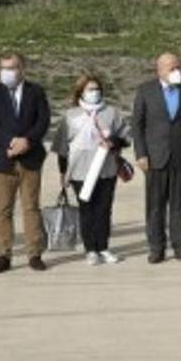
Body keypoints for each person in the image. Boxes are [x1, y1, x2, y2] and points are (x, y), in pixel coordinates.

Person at [132, 52, 181, 263]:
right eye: (171, 68)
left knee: (180, 204)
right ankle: (156, 248)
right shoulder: (145, 91)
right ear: (160, 70)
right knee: (155, 205)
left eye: (178, 67)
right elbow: (137, 124)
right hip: (155, 157)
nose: (176, 71)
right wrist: (141, 153)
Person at [0, 53, 51, 273]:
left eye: (11, 67)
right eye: (3, 68)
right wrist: (11, 141)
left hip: (30, 157)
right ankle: (4, 254)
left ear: (22, 68)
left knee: (31, 207)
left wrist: (27, 141)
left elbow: (43, 121)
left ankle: (34, 253)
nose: (7, 72)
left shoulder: (36, 92)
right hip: (3, 158)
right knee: (3, 209)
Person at [53, 72, 130, 265]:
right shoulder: (71, 115)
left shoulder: (111, 112)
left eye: (97, 89)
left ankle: (103, 246)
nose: (94, 92)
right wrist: (63, 173)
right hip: (80, 170)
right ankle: (91, 249)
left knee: (104, 210)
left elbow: (126, 137)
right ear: (81, 92)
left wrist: (113, 141)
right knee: (86, 210)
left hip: (106, 170)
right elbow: (62, 147)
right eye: (90, 89)